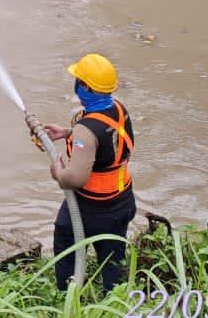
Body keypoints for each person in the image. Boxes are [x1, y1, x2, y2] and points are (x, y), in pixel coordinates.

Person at [36, 52, 135, 292]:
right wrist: (67, 133)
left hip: (92, 208)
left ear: (86, 88)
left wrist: (57, 170)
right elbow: (104, 139)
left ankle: (67, 294)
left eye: (79, 80)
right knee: (112, 256)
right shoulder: (118, 109)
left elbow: (75, 178)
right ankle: (115, 299)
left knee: (65, 241)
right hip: (122, 200)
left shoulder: (86, 129)